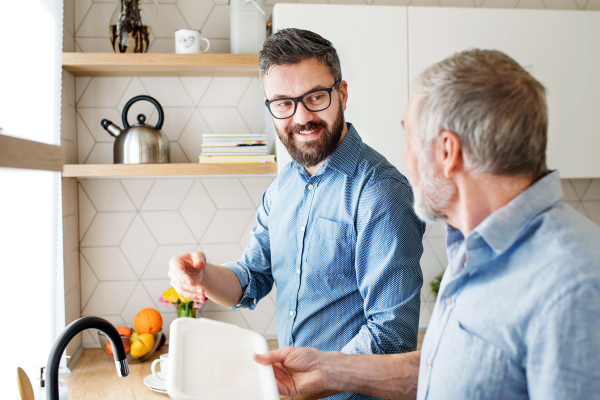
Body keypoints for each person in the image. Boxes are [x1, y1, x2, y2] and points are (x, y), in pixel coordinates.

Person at [253, 49, 600, 400]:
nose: (405, 158)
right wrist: (328, 370)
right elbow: (450, 370)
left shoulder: (573, 286)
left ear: (447, 152)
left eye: (410, 140)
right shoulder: (475, 249)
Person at [168, 28, 426, 399]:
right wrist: (201, 275)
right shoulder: (284, 186)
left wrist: (320, 376)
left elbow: (392, 335)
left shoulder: (380, 192)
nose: (301, 117)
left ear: (342, 94)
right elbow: (251, 277)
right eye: (284, 103)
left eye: (315, 97)